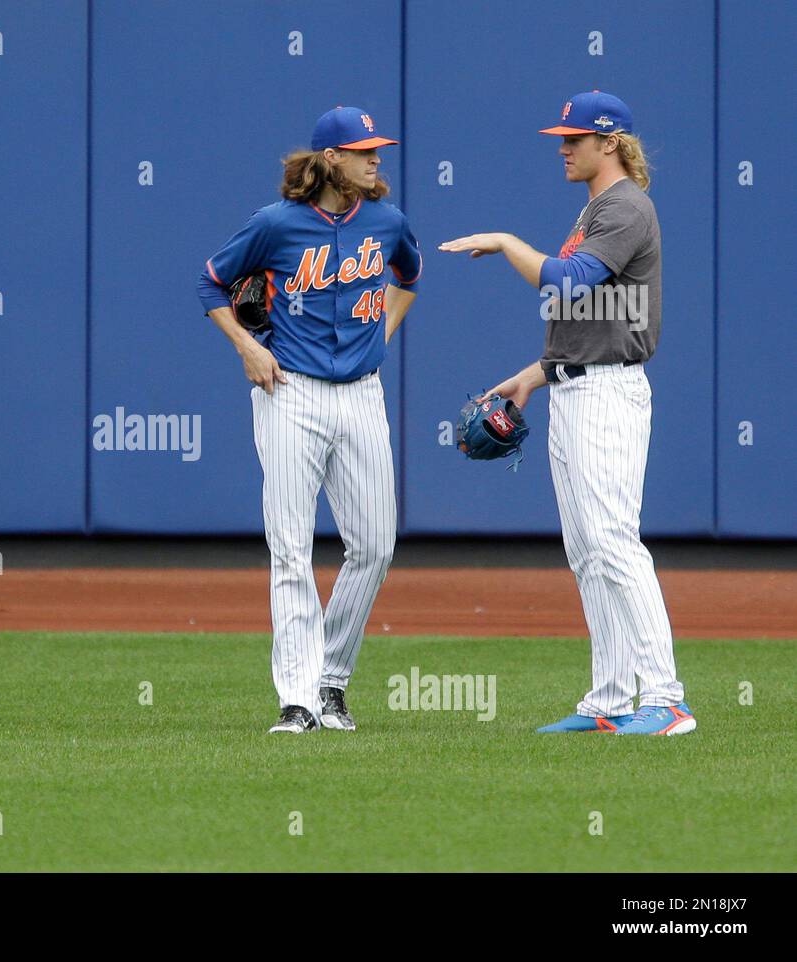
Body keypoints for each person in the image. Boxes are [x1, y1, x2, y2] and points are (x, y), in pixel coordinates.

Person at [439, 91, 695, 736]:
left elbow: (566, 282)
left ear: (610, 142)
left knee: (614, 542)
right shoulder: (596, 208)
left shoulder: (627, 206)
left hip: (608, 394)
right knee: (587, 551)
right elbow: (591, 317)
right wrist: (536, 375)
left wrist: (504, 241)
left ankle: (666, 700)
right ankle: (610, 701)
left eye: (575, 137)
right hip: (577, 388)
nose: (563, 146)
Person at [198, 106, 422, 734]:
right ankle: (298, 699)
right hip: (289, 392)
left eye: (378, 150)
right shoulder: (274, 225)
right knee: (292, 548)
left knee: (375, 545)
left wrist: (383, 332)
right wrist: (248, 345)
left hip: (361, 395)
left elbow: (409, 275)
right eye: (364, 151)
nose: (377, 160)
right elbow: (212, 283)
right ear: (332, 159)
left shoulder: (387, 220)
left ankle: (331, 681)